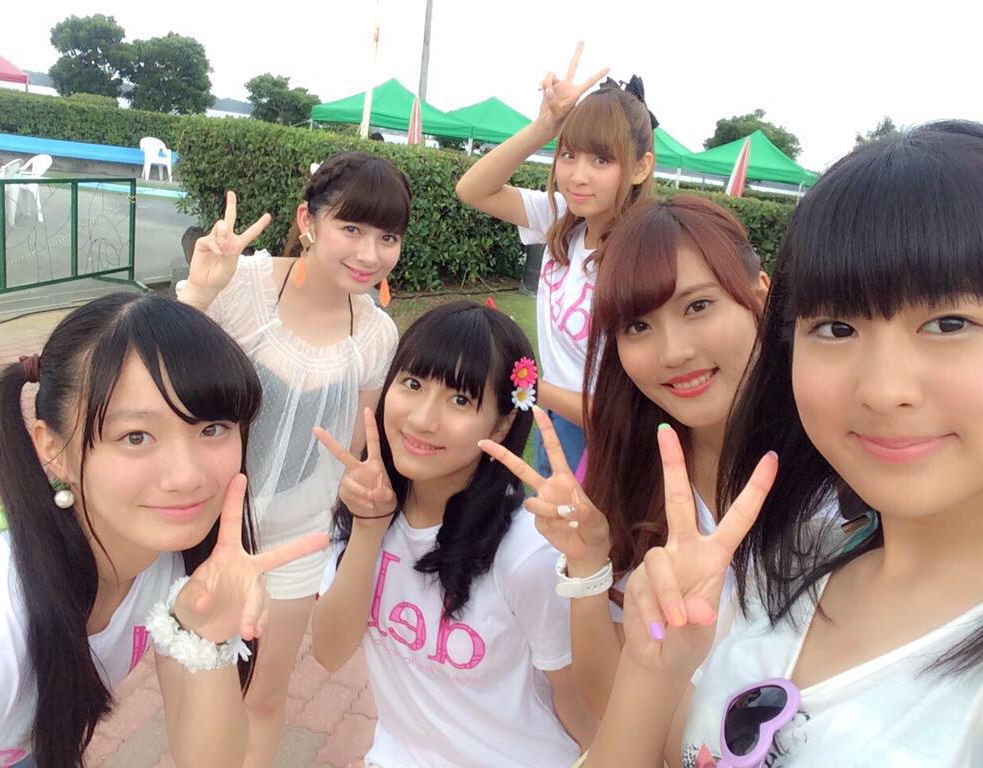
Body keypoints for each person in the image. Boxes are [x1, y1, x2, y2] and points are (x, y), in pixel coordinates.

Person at [585, 121, 983, 766]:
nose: (883, 391)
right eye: (837, 328)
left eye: (949, 322)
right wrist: (653, 667)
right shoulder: (785, 567)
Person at [0, 293, 327, 768]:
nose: (186, 476)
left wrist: (208, 635)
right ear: (52, 449)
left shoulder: (163, 560)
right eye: (136, 437)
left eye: (212, 429)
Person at [481, 196, 769, 717]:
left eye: (698, 306)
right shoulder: (629, 476)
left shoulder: (839, 486)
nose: (674, 352)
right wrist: (589, 563)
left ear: (759, 294)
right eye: (638, 326)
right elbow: (606, 697)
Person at [177, 151, 408, 766]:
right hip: (204, 524)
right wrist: (200, 292)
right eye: (351, 228)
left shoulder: (376, 336)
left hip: (296, 542)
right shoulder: (244, 285)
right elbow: (161, 375)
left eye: (388, 237)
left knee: (263, 694)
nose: (370, 253)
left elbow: (354, 445)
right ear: (308, 220)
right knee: (197, 681)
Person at [312, 301, 596, 768]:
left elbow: (576, 704)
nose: (423, 419)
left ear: (502, 424)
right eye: (413, 384)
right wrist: (367, 528)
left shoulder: (526, 554)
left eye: (460, 400)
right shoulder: (366, 503)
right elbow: (328, 651)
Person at [455, 44, 657, 476]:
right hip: (557, 419)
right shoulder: (564, 218)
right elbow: (472, 189)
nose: (578, 175)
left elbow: (629, 410)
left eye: (601, 159)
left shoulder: (645, 256)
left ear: (641, 168)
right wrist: (544, 127)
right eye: (569, 155)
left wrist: (529, 384)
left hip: (607, 444)